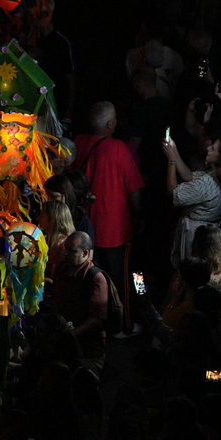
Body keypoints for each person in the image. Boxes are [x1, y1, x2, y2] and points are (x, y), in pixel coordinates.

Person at [73, 102, 143, 337]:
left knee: (91, 280)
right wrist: (141, 215)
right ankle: (124, 325)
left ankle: (93, 325)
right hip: (115, 230)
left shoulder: (78, 144)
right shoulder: (119, 149)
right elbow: (135, 193)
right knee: (123, 280)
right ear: (110, 124)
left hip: (85, 229)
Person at [161, 135, 221, 267]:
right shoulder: (213, 173)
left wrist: (172, 160)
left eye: (213, 148)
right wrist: (174, 151)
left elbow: (173, 193)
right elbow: (189, 176)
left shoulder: (208, 184)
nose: (208, 148)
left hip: (196, 236)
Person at [49, 231, 111, 363]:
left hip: (87, 346)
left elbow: (97, 318)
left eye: (71, 250)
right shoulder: (64, 268)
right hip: (62, 337)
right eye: (65, 248)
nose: (66, 253)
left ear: (85, 253)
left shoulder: (96, 278)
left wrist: (72, 334)